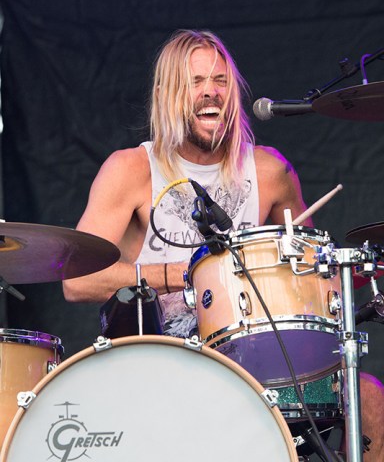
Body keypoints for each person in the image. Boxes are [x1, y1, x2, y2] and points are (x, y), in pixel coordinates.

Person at [63, 29, 384, 460]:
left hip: (258, 356)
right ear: (165, 94)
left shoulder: (269, 170)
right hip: (162, 353)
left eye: (220, 81)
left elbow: (315, 274)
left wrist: (363, 272)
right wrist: (182, 274)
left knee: (369, 396)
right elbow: (77, 280)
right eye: (195, 82)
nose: (210, 92)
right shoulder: (132, 169)